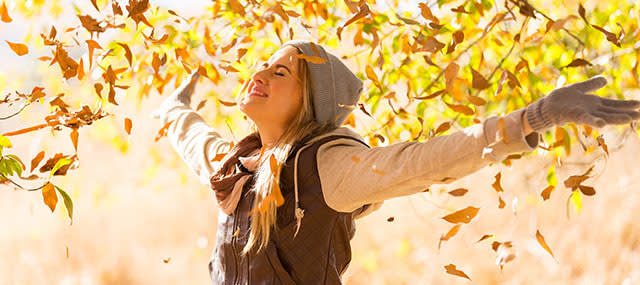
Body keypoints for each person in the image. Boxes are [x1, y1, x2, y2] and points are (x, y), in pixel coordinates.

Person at [151, 39, 640, 284]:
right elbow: (191, 134)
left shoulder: (326, 167)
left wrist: (532, 118)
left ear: (309, 103)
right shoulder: (235, 163)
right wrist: (173, 105)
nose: (260, 73)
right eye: (264, 64)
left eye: (280, 72)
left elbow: (423, 161)